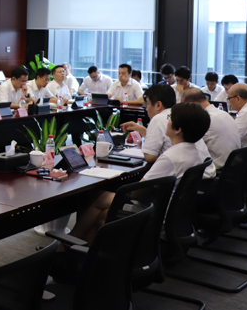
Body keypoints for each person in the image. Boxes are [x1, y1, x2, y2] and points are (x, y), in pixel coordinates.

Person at [69, 102, 214, 244]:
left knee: (100, 199)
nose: (168, 121)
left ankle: (70, 243)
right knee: (102, 215)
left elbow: (136, 194)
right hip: (173, 218)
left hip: (156, 217)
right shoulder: (195, 152)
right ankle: (80, 248)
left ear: (178, 129)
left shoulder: (171, 157)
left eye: (170, 118)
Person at [182, 88, 241, 170]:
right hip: (233, 168)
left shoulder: (205, 119)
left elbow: (190, 147)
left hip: (217, 169)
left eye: (184, 106)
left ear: (191, 104)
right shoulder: (225, 114)